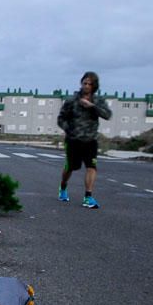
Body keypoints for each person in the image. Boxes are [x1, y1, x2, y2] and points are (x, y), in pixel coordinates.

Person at [57, 71, 112, 208]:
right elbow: (61, 118)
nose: (87, 86)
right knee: (71, 166)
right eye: (85, 83)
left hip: (90, 140)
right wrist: (68, 129)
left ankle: (88, 197)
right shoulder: (72, 100)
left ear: (94, 86)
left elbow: (107, 115)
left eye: (90, 84)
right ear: (81, 84)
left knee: (91, 167)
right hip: (73, 139)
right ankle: (63, 187)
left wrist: (92, 107)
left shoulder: (98, 101)